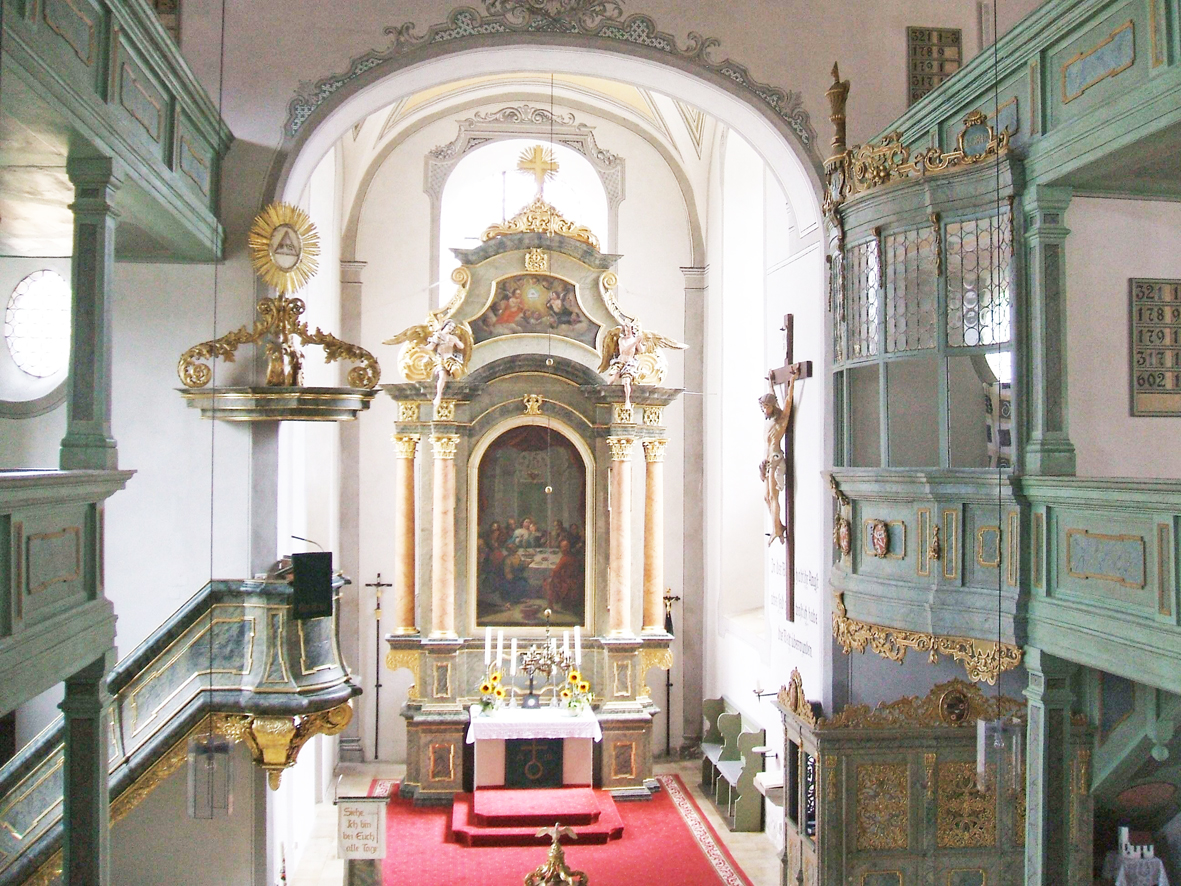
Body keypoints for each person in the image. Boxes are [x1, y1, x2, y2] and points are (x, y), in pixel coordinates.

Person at [425, 319, 466, 408]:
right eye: (449, 326)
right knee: (442, 376)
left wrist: (457, 341)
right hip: (441, 359)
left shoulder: (453, 337)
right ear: (444, 326)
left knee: (456, 372)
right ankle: (438, 396)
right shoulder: (438, 336)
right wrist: (423, 348)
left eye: (452, 327)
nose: (450, 328)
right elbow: (431, 346)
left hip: (451, 359)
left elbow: (461, 346)